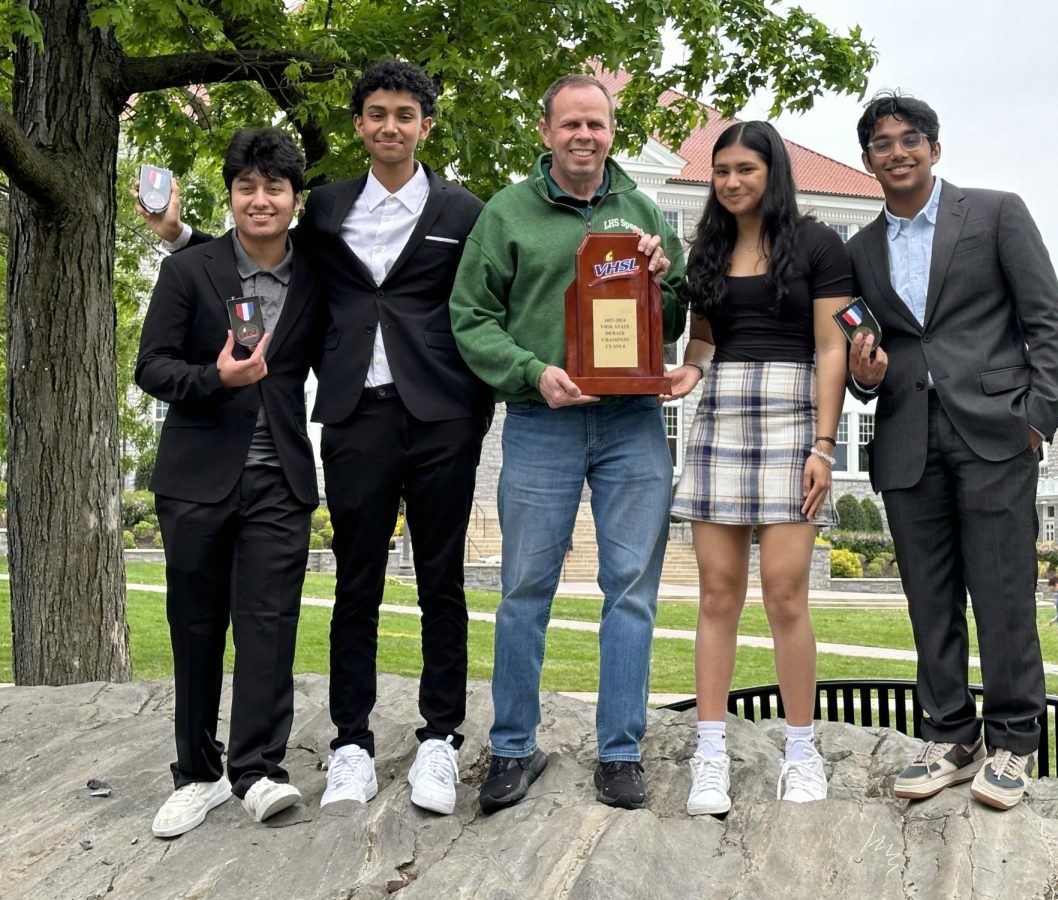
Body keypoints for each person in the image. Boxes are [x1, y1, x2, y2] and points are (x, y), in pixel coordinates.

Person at [139, 60, 491, 816]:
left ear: (425, 125)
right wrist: (177, 235)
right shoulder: (328, 211)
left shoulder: (466, 212)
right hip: (352, 419)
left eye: (406, 113)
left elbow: (502, 292)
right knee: (353, 585)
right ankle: (349, 745)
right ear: (359, 124)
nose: (390, 125)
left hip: (441, 419)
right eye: (376, 113)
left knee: (440, 582)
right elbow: (239, 254)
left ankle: (439, 739)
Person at [449, 73, 685, 812]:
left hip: (631, 424)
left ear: (612, 132)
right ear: (546, 131)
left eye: (598, 124)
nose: (585, 136)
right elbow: (470, 317)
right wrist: (530, 372)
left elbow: (671, 315)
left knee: (631, 592)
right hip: (542, 420)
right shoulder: (507, 214)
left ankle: (620, 752)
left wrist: (663, 275)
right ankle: (513, 746)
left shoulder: (644, 210)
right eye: (571, 124)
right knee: (523, 589)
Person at [845, 91, 1058, 811]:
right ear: (868, 160)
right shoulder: (859, 250)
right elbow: (865, 354)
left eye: (911, 139)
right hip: (909, 439)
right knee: (929, 597)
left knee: (1003, 592)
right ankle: (949, 733)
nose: (898, 151)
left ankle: (1013, 743)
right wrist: (863, 376)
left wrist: (1037, 418)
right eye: (883, 143)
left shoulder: (997, 213)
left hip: (996, 432)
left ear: (935, 149)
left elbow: (1047, 320)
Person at [137, 128, 322, 836]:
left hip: (280, 479)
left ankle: (258, 771)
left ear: (294, 200)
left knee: (268, 630)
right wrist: (215, 377)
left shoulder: (316, 275)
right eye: (247, 187)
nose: (260, 199)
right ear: (232, 197)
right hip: (195, 479)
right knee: (195, 631)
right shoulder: (191, 272)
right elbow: (151, 367)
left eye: (274, 187)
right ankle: (197, 774)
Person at [665, 121, 849, 816]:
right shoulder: (705, 246)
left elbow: (833, 347)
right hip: (722, 417)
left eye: (746, 168)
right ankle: (708, 751)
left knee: (784, 594)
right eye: (722, 171)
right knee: (716, 594)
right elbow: (706, 339)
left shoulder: (818, 243)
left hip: (796, 419)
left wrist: (824, 447)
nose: (733, 181)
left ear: (773, 171)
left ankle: (801, 750)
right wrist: (688, 373)